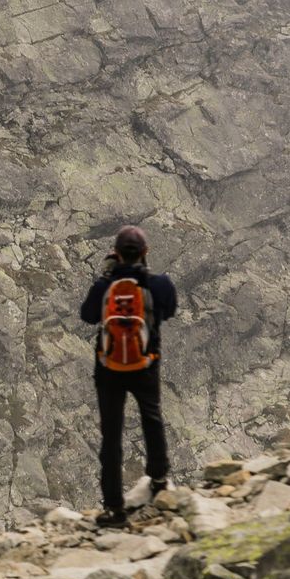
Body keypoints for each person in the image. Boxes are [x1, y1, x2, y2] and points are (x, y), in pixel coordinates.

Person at [80, 225, 178, 528]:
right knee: (151, 417)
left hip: (109, 370)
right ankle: (159, 478)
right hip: (146, 365)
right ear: (145, 252)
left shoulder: (105, 286)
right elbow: (169, 310)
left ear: (117, 252)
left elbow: (88, 315)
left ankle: (113, 508)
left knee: (111, 436)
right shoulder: (158, 284)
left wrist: (107, 278)